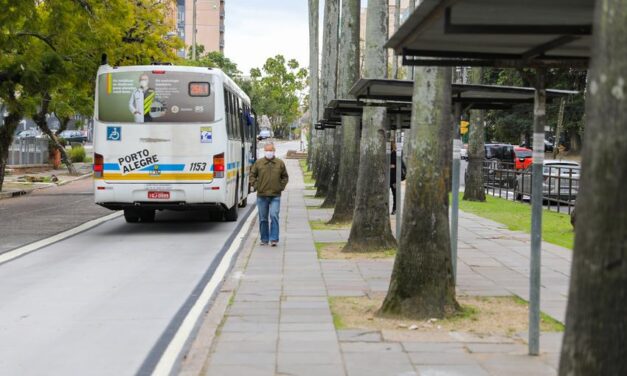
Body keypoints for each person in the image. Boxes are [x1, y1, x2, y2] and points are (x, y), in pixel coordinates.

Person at [250, 143, 289, 246]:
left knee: (274, 216)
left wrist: (281, 187)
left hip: (275, 195)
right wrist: (256, 185)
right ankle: (264, 239)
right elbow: (252, 175)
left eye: (270, 150)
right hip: (262, 195)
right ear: (264, 151)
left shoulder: (279, 163)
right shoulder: (259, 163)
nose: (269, 152)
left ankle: (274, 239)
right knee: (263, 218)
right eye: (267, 150)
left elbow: (285, 177)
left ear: (274, 151)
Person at [390, 141, 406, 215]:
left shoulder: (395, 154)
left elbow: (402, 165)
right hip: (392, 178)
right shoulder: (393, 154)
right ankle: (394, 209)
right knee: (394, 194)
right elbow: (403, 166)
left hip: (393, 178)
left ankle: (394, 209)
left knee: (395, 194)